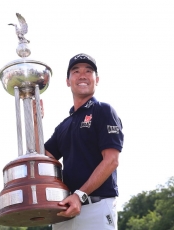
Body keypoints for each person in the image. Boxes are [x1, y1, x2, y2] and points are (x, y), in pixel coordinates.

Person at [39, 53, 124, 229]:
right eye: (76, 71)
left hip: (96, 208)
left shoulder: (103, 111)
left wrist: (79, 195)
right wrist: (35, 120)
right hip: (64, 212)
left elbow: (112, 160)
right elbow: (43, 160)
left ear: (97, 79)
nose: (82, 75)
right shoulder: (64, 125)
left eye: (88, 71)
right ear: (68, 81)